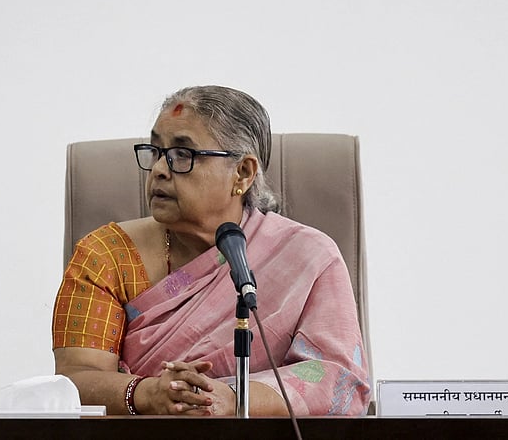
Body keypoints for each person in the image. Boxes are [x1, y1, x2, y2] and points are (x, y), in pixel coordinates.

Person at [51, 85, 370, 416]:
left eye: (182, 155)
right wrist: (149, 393)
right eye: (156, 151)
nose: (160, 169)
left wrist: (233, 398)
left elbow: (337, 378)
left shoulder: (308, 257)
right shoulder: (107, 254)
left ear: (242, 173)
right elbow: (74, 380)